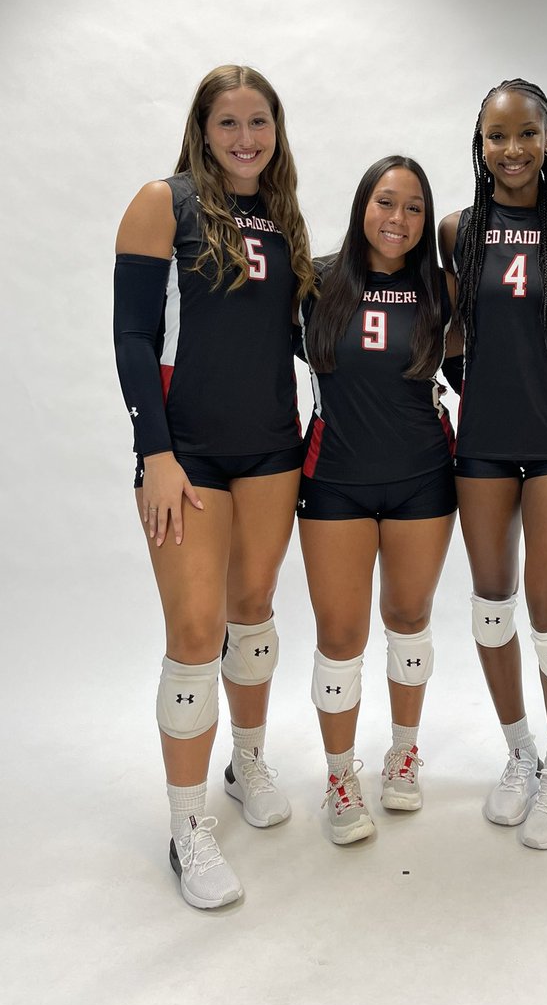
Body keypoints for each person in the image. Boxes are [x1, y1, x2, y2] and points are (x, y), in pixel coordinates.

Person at [113, 65, 314, 908]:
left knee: (253, 610)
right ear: (202, 127)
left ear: (276, 128)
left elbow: (312, 336)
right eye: (227, 122)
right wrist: (153, 453)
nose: (244, 137)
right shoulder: (163, 202)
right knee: (195, 633)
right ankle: (187, 827)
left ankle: (248, 761)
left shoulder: (284, 218)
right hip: (185, 453)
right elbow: (132, 336)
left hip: (269, 447)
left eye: (258, 121)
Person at [439, 79, 547, 850]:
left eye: (526, 133)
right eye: (496, 136)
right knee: (491, 604)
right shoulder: (453, 230)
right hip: (481, 438)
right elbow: (443, 330)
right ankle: (521, 755)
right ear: (479, 144)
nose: (512, 150)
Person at [295, 155, 457, 844]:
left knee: (409, 614)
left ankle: (403, 755)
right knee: (340, 635)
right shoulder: (316, 282)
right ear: (363, 205)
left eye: (414, 207)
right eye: (386, 202)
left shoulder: (443, 288)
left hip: (423, 476)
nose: (399, 219)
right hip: (334, 479)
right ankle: (340, 778)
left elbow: (502, 351)